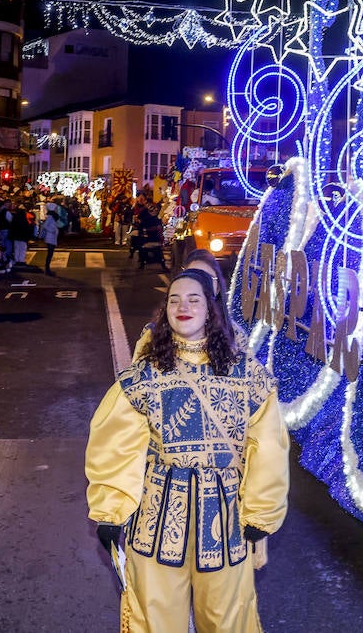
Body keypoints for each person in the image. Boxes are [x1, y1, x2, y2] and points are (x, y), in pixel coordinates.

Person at [85, 269, 289, 631]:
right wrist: (110, 511)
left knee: (229, 620)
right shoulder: (143, 375)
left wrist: (261, 515)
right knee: (154, 618)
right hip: (156, 518)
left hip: (224, 520)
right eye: (174, 299)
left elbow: (268, 447)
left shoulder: (247, 374)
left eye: (194, 299)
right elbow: (115, 445)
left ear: (211, 309)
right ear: (164, 310)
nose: (183, 306)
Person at [39, 202, 61, 276]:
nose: (56, 210)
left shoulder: (51, 216)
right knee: (50, 253)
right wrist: (52, 230)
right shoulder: (51, 216)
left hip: (51, 237)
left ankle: (48, 269)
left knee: (50, 253)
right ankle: (47, 269)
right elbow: (45, 225)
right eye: (55, 208)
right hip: (50, 237)